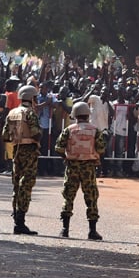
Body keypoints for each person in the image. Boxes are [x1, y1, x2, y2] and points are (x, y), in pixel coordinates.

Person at [56, 101, 105, 240]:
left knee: (68, 197)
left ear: (75, 115)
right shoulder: (95, 130)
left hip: (72, 167)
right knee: (91, 198)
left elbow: (59, 147)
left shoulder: (69, 129)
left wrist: (66, 158)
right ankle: (92, 231)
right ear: (88, 114)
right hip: (89, 168)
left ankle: (65, 230)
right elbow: (101, 148)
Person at [1, 84, 40, 235]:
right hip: (29, 150)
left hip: (16, 149)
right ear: (31, 98)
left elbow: (5, 135)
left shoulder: (12, 112)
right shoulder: (30, 113)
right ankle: (20, 221)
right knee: (26, 183)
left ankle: (16, 217)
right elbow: (36, 133)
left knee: (17, 183)